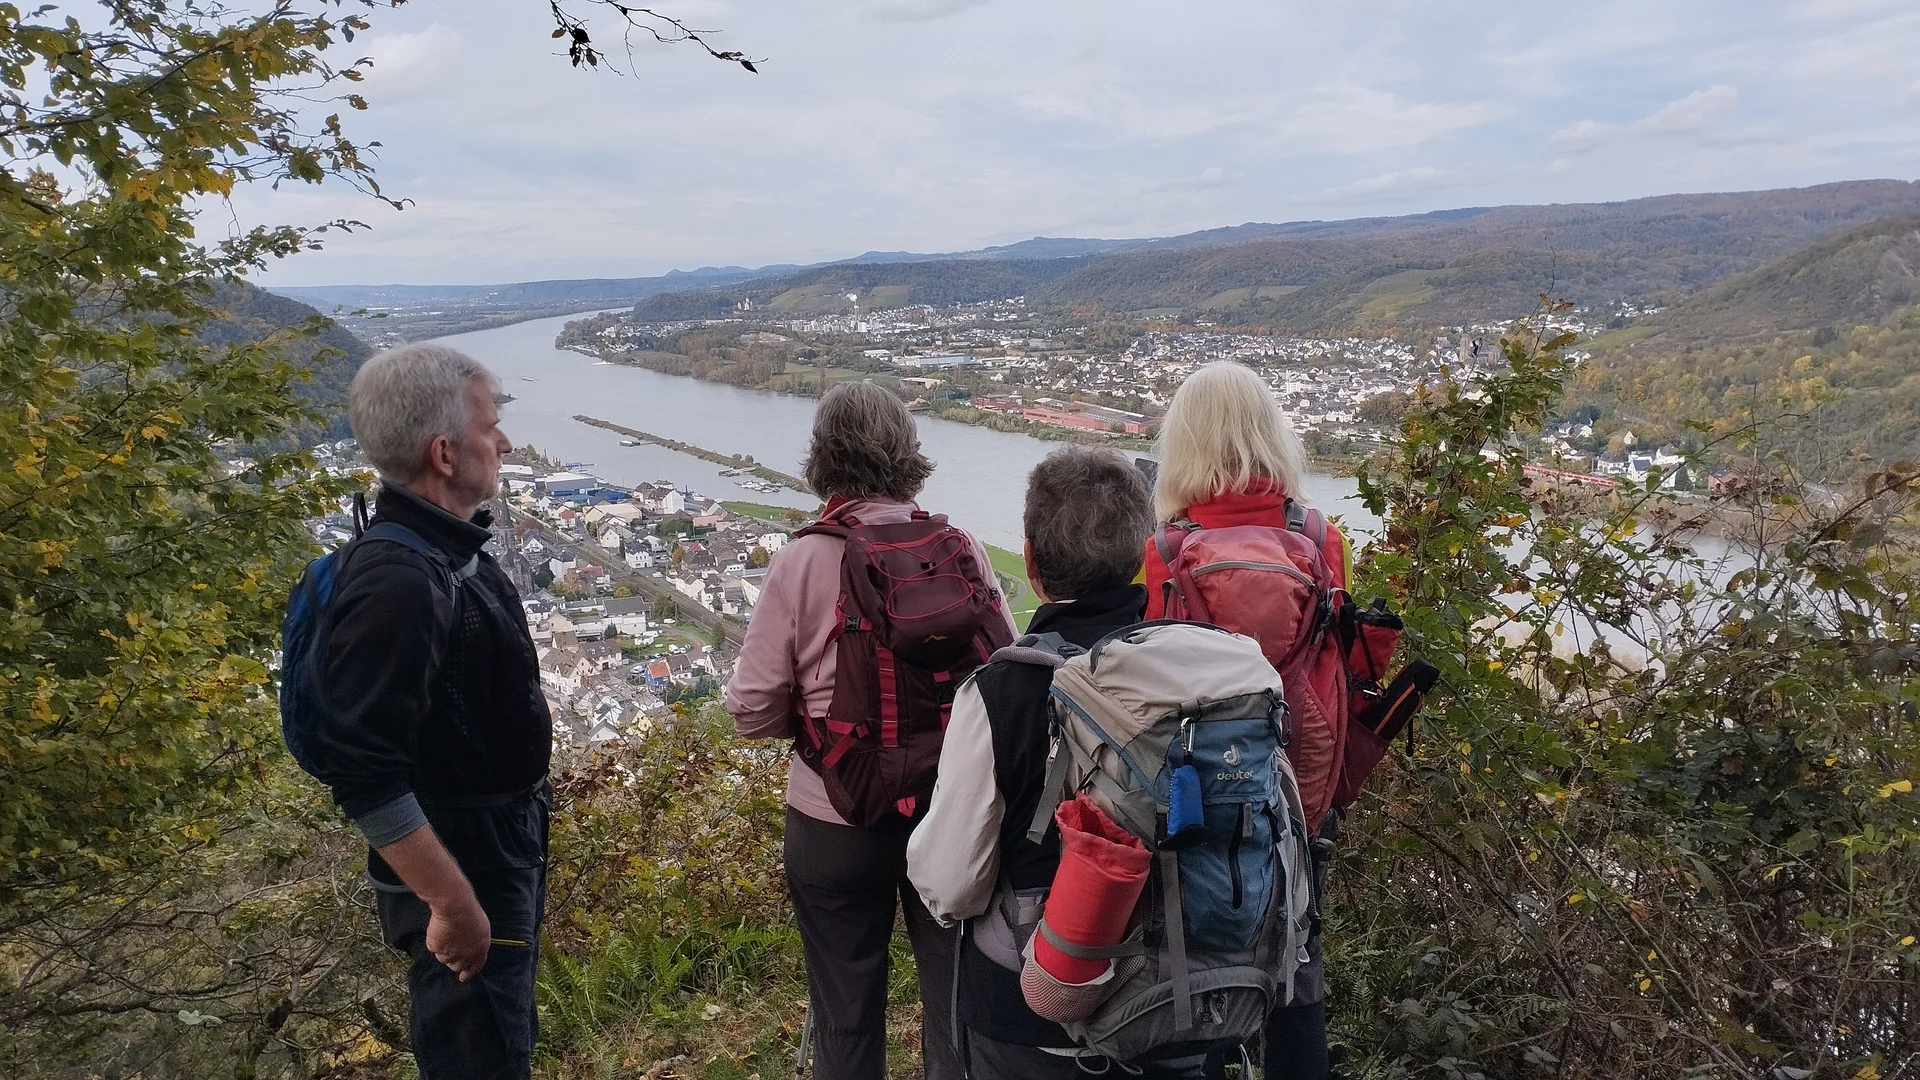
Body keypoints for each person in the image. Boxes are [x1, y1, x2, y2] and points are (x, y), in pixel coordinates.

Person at [907, 447, 1236, 1079]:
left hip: (1031, 1021)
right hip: (1184, 998)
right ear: (1140, 556)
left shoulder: (1000, 693)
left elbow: (950, 884)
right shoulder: (1208, 673)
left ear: (1030, 563)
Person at [725, 381, 1012, 1080]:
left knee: (846, 1013)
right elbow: (1005, 673)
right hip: (949, 812)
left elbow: (751, 708)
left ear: (823, 456)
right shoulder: (959, 548)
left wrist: (823, 731)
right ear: (909, 453)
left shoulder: (802, 560)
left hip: (836, 814)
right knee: (953, 1003)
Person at [314, 344, 552, 1080]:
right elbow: (364, 772)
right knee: (477, 1047)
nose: (505, 442)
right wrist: (449, 902)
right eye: (489, 426)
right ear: (444, 453)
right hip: (462, 854)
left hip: (490, 840)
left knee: (500, 1033)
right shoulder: (400, 581)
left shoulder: (442, 551)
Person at [1143, 361, 1350, 1080]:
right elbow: (1341, 668)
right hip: (1301, 788)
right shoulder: (1321, 540)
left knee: (1193, 957)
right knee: (1298, 965)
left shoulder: (1164, 550)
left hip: (1194, 794)